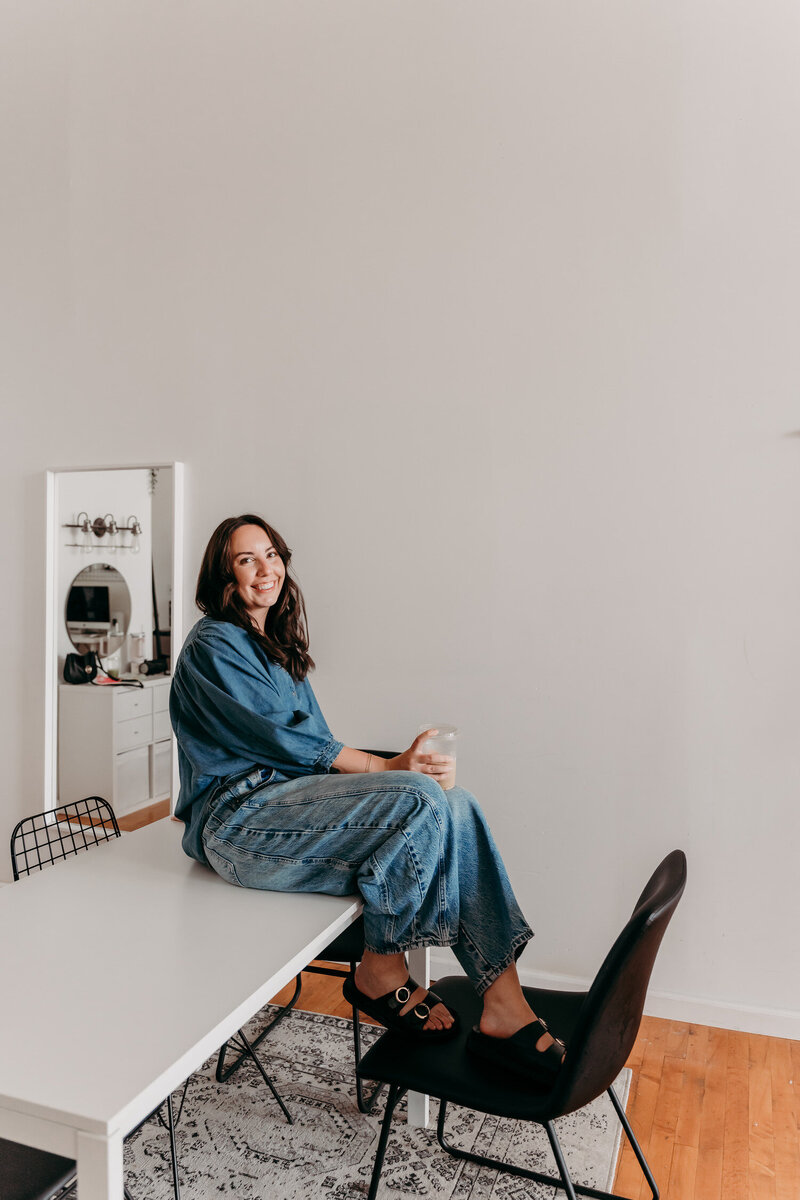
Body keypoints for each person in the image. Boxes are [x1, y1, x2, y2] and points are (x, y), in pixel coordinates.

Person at [170, 514, 565, 1083]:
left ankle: (505, 1005)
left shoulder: (274, 646)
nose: (266, 568)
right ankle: (381, 967)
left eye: (271, 553)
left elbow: (314, 755)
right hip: (238, 824)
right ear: (224, 577)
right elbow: (290, 742)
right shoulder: (215, 643)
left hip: (290, 808)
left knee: (458, 806)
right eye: (246, 559)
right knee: (424, 801)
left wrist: (388, 781)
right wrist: (387, 769)